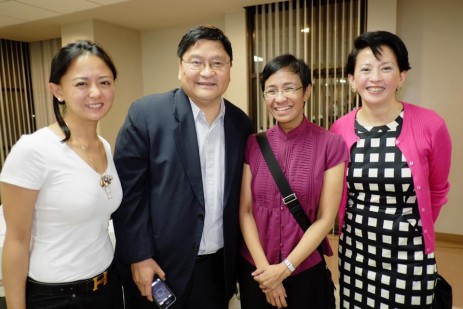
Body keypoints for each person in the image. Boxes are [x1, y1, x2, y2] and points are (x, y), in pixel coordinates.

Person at [112, 25, 252, 309]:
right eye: (196, 62)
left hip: (218, 270)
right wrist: (139, 256)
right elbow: (128, 196)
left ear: (229, 68)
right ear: (180, 66)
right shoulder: (147, 114)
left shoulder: (241, 124)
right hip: (158, 268)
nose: (207, 72)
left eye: (217, 63)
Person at [330, 31, 452, 308]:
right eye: (365, 69)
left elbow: (437, 190)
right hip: (356, 255)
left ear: (402, 75)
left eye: (386, 68)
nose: (375, 78)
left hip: (410, 255)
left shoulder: (430, 125)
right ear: (351, 79)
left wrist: (413, 229)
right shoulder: (339, 130)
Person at [0, 40, 124, 309]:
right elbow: (16, 241)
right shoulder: (33, 150)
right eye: (81, 84)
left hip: (107, 286)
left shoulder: (103, 144)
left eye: (105, 82)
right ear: (57, 90)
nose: (96, 92)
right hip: (57, 297)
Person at [238, 54, 347, 308]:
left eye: (289, 88)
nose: (280, 98)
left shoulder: (331, 145)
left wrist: (284, 269)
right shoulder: (254, 144)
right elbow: (245, 210)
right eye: (271, 90)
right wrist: (267, 273)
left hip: (304, 268)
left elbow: (325, 218)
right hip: (257, 269)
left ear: (307, 91)